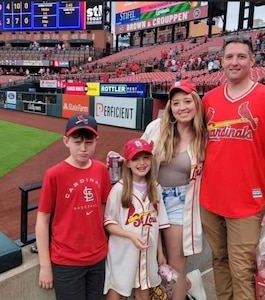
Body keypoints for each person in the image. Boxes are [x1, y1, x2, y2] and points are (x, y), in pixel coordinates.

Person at [107, 79, 207, 300]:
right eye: (176, 102)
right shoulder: (157, 127)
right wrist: (123, 161)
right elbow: (139, 155)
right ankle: (191, 283)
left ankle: (183, 289)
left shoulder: (203, 135)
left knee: (175, 262)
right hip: (151, 198)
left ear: (197, 103)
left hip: (181, 203)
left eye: (187, 101)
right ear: (170, 106)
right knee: (152, 258)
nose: (182, 108)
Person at [200, 35, 265, 299]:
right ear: (221, 62)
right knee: (219, 261)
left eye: (241, 57)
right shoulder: (209, 100)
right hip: (211, 200)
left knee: (241, 270)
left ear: (252, 60)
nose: (234, 62)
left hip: (247, 203)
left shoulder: (262, 96)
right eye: (229, 57)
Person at [35, 113, 112, 300]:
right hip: (67, 262)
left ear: (96, 141)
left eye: (89, 142)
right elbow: (42, 220)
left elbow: (105, 207)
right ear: (66, 141)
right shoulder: (54, 174)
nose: (83, 148)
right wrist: (45, 266)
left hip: (98, 258)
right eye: (77, 142)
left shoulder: (100, 169)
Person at [103, 138, 169, 299]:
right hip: (122, 251)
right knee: (117, 287)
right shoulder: (119, 190)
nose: (141, 163)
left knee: (144, 286)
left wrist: (160, 253)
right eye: (136, 159)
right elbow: (109, 224)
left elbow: (158, 224)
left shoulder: (156, 188)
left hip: (148, 251)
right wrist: (130, 236)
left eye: (146, 157)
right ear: (127, 163)